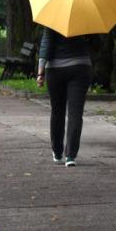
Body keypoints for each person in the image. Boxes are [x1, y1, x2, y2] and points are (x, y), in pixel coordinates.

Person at [36, 26, 92, 167]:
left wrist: (40, 72)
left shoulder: (53, 19)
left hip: (55, 69)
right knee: (75, 112)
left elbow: (46, 43)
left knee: (57, 111)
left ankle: (57, 152)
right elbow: (96, 45)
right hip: (80, 67)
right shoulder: (85, 20)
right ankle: (70, 156)